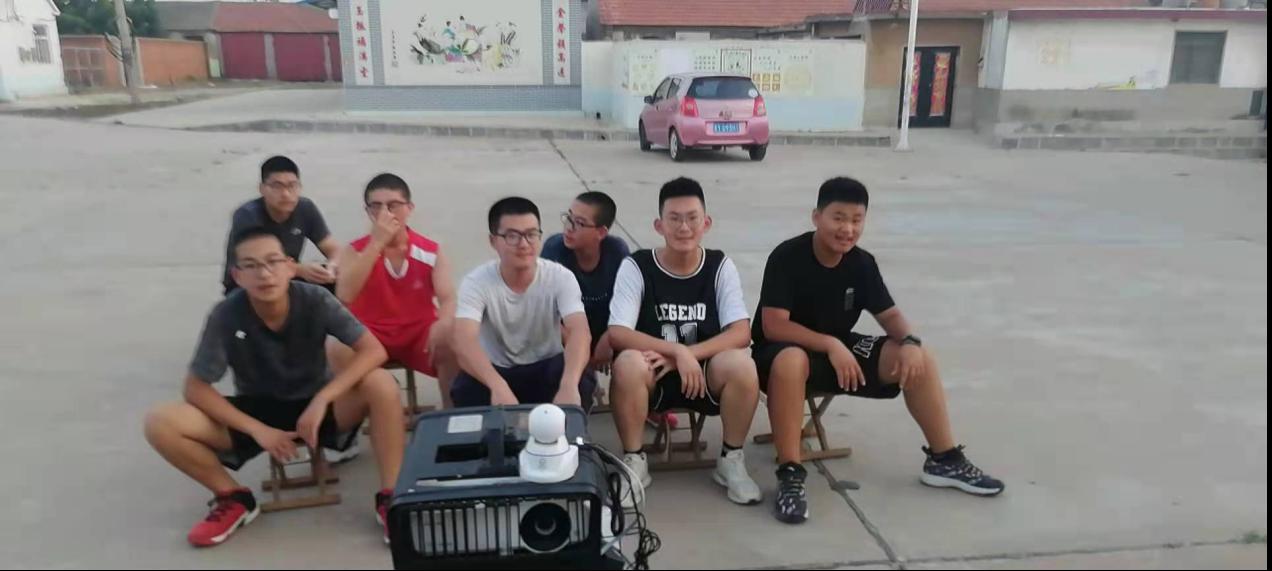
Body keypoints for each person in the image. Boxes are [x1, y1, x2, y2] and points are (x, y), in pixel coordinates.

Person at [752, 177, 1005, 525]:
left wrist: (911, 343)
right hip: (781, 354)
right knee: (792, 360)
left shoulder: (862, 263)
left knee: (918, 356)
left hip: (840, 349)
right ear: (816, 217)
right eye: (838, 218)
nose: (847, 229)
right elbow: (774, 326)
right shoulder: (787, 257)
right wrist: (830, 344)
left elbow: (890, 317)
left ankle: (944, 459)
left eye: (857, 220)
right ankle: (790, 476)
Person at [144, 228, 406, 547]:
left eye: (272, 262)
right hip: (257, 409)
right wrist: (258, 429)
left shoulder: (315, 299)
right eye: (252, 266)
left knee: (381, 383)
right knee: (160, 422)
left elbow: (373, 350)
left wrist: (323, 399)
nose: (265, 274)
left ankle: (392, 498)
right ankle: (233, 497)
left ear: (290, 266)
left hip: (317, 405)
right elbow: (195, 388)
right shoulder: (226, 314)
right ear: (237, 276)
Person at [607, 177, 762, 506]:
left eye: (692, 218)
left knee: (742, 364)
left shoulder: (719, 266)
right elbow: (618, 332)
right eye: (674, 218)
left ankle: (731, 460)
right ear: (659, 225)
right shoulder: (637, 266)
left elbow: (741, 332)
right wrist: (676, 351)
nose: (684, 227)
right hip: (654, 371)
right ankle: (634, 461)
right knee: (628, 362)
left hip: (704, 373)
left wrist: (690, 354)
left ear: (706, 223)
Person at [450, 197, 594, 409]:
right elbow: (464, 340)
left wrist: (569, 384)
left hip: (546, 368)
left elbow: (579, 331)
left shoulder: (560, 277)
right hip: (498, 370)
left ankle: (571, 430)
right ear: (493, 241)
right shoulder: (476, 282)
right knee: (465, 388)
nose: (524, 244)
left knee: (580, 378)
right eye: (512, 236)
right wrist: (497, 386)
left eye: (531, 234)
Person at [333, 173, 458, 408]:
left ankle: (452, 416)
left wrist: (444, 323)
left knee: (453, 341)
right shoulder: (355, 251)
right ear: (368, 211)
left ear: (409, 208)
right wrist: (377, 243)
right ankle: (368, 411)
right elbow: (345, 295)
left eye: (393, 205)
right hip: (371, 334)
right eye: (376, 206)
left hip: (417, 332)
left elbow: (448, 298)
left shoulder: (430, 251)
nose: (385, 213)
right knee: (339, 349)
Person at [220, 156, 340, 295]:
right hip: (249, 282)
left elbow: (334, 250)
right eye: (277, 186)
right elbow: (262, 262)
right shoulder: (248, 215)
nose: (286, 194)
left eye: (292, 186)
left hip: (288, 277)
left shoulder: (305, 208)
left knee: (340, 279)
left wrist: (332, 267)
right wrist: (300, 270)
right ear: (262, 189)